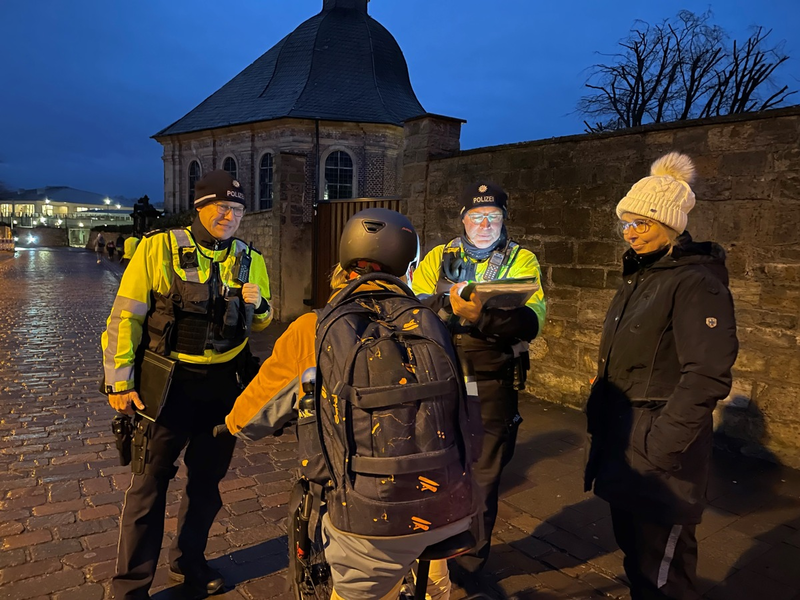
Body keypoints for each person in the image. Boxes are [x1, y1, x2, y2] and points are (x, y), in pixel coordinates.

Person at [224, 208, 475, 600]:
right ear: (409, 271)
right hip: (447, 505)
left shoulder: (313, 328)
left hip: (370, 520)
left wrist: (232, 423)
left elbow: (247, 420)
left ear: (342, 268)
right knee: (434, 581)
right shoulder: (431, 322)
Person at [101, 170, 273, 600]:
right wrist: (119, 382)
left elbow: (262, 320)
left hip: (223, 385)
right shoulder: (158, 248)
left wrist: (260, 305)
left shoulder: (250, 258)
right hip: (167, 385)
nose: (230, 216)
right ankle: (130, 587)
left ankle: (189, 561)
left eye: (237, 209)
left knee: (206, 485)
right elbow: (126, 316)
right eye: (222, 207)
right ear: (199, 207)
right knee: (148, 486)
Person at [583, 152, 738, 599]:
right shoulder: (642, 276)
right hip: (625, 441)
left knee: (664, 574)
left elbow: (707, 374)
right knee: (638, 558)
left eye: (642, 224)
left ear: (670, 225)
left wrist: (661, 447)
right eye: (626, 224)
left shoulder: (695, 281)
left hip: (659, 454)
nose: (631, 233)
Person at [412, 181, 546, 577]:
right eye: (476, 216)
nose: (484, 224)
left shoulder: (522, 260)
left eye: (493, 216)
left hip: (490, 379)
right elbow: (413, 305)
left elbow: (533, 319)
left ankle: (469, 567)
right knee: (433, 468)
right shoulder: (439, 256)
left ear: (504, 219)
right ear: (463, 219)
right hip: (439, 374)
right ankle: (428, 556)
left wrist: (481, 316)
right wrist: (447, 306)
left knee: (483, 477)